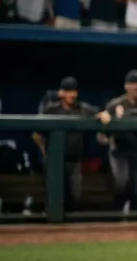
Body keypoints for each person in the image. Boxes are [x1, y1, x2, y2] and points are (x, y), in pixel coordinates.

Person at [98, 70, 137, 215]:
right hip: (120, 151)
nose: (136, 87)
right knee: (122, 183)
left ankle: (136, 219)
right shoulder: (115, 104)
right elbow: (101, 134)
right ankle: (117, 214)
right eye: (133, 84)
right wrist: (107, 139)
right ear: (126, 86)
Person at [34, 77, 99, 212]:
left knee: (75, 197)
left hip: (74, 160)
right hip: (54, 161)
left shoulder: (83, 108)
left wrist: (103, 114)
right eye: (68, 91)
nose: (72, 95)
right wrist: (45, 152)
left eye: (74, 91)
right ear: (61, 93)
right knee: (54, 196)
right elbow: (36, 134)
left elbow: (99, 113)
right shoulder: (51, 109)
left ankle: (70, 232)